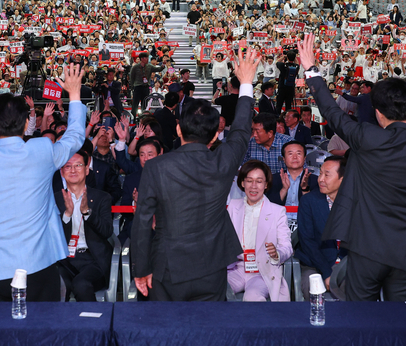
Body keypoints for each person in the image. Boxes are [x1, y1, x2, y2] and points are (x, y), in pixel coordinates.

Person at [297, 33, 406, 302]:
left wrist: (312, 71)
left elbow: (332, 113)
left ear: (379, 113)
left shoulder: (367, 137)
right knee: (401, 319)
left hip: (365, 246)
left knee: (362, 317)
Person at [132, 46, 260, 301]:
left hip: (167, 267)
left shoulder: (157, 166)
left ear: (178, 130)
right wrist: (246, 84)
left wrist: (141, 268)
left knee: (166, 334)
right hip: (212, 266)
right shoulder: (222, 161)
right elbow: (242, 130)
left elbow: (142, 221)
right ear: (214, 137)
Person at [0, 64, 87, 302]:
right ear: (26, 124)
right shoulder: (42, 150)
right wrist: (74, 94)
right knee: (42, 335)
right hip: (38, 265)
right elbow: (76, 136)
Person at [226, 160, 292, 302]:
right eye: (249, 181)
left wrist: (276, 254)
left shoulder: (277, 211)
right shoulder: (233, 206)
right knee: (217, 291)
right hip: (235, 268)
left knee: (253, 298)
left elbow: (287, 247)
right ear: (242, 183)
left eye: (259, 181)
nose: (254, 186)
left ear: (266, 184)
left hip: (261, 271)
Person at [54, 151, 114, 301]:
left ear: (87, 169)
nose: (73, 170)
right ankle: (59, 323)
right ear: (62, 172)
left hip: (93, 259)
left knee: (81, 284)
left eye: (78, 165)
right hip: (64, 260)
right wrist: (67, 215)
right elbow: (51, 236)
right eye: (68, 166)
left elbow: (107, 231)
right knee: (58, 285)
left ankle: (92, 323)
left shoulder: (102, 198)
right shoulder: (54, 199)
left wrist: (87, 212)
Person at [297, 156, 348, 300]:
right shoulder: (309, 201)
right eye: (320, 173)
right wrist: (326, 272)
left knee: (354, 287)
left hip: (346, 263)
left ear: (343, 179)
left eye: (327, 175)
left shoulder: (354, 203)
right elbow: (307, 240)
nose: (320, 179)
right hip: (315, 263)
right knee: (312, 287)